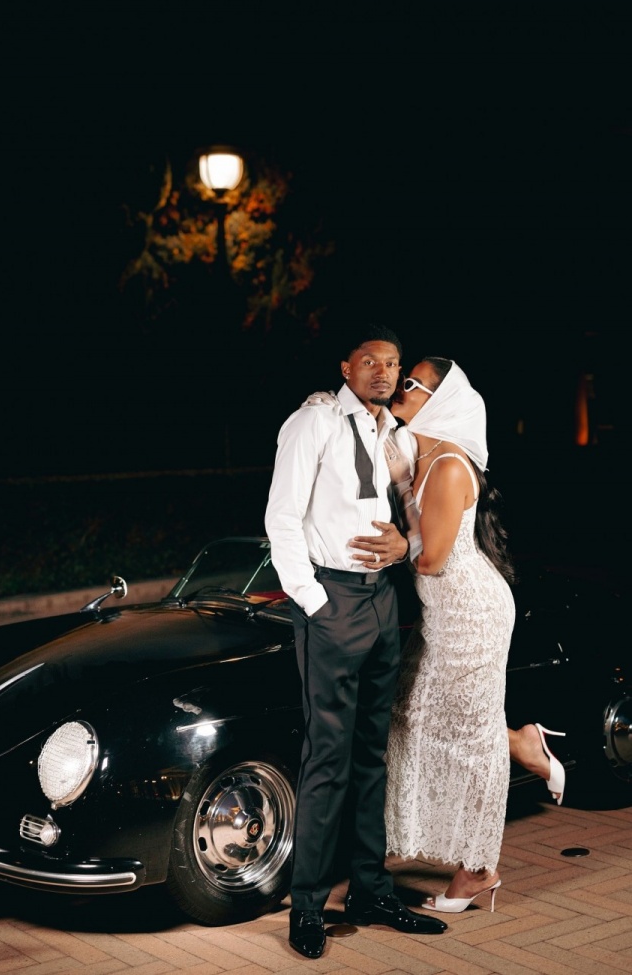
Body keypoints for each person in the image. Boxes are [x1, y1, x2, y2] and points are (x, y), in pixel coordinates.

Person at [264, 325, 448, 960]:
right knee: (327, 759)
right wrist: (313, 602)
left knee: (373, 754)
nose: (383, 372)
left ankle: (370, 892)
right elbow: (282, 518)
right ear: (346, 367)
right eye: (370, 361)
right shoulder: (312, 423)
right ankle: (308, 906)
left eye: (392, 364)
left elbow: (417, 517)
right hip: (332, 600)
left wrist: (406, 545)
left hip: (382, 600)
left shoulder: (393, 435)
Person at [348, 356, 519, 913]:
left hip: (472, 613)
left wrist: (401, 540)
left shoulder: (447, 465)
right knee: (408, 717)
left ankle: (478, 870)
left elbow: (430, 559)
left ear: (439, 400)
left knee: (473, 738)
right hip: (442, 613)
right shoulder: (420, 453)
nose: (400, 386)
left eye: (412, 383)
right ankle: (411, 839)